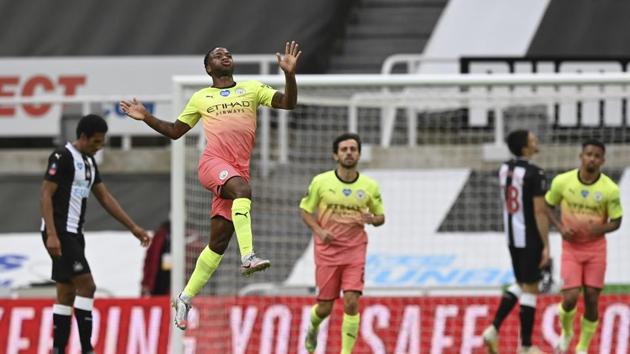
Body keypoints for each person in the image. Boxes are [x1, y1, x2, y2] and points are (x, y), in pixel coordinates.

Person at [120, 41, 301, 330]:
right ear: (208, 67)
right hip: (213, 165)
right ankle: (248, 256)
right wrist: (146, 118)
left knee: (217, 244)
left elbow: (289, 103)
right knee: (243, 191)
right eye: (218, 54)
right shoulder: (200, 97)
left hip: (236, 171)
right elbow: (176, 132)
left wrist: (289, 75)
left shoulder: (252, 89)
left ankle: (185, 297)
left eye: (228, 53)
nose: (225, 55)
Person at [40, 114, 150, 354]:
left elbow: (105, 198)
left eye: (102, 142)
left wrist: (133, 227)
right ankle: (86, 348)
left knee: (67, 291)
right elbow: (46, 194)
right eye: (96, 142)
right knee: (87, 286)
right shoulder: (63, 157)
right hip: (60, 232)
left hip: (74, 233)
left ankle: (58, 348)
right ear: (83, 137)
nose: (98, 147)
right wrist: (51, 234)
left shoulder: (89, 163)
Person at [299, 133, 385, 354]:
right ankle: (313, 325)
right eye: (344, 149)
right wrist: (319, 230)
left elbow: (380, 217)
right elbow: (305, 210)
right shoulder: (321, 182)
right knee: (325, 307)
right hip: (327, 251)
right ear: (335, 155)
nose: (349, 153)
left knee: (351, 301)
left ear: (359, 154)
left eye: (353, 149)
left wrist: (372, 219)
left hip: (355, 250)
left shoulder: (369, 186)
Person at [545, 139, 622, 354]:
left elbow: (617, 222)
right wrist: (560, 227)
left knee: (591, 298)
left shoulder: (610, 190)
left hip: (596, 249)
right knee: (569, 298)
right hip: (571, 248)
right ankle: (567, 332)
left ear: (602, 161)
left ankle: (583, 347)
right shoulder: (563, 182)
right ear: (581, 156)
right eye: (589, 154)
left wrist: (601, 229)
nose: (592, 159)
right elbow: (547, 205)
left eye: (597, 156)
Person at [483, 130, 550, 354]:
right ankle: (526, 346)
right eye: (533, 139)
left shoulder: (504, 169)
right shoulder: (535, 173)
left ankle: (493, 329)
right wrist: (546, 245)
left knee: (521, 284)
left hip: (511, 236)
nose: (536, 140)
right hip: (529, 237)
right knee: (531, 288)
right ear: (525, 148)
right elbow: (539, 211)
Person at [141, 220, 171, 296]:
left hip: (172, 281)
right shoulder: (160, 235)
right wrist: (145, 283)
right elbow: (149, 260)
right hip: (157, 280)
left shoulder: (188, 236)